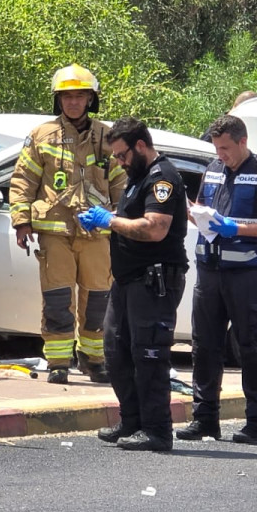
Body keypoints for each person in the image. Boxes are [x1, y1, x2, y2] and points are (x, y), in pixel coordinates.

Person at [177, 114, 257, 445]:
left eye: (226, 148)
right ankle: (205, 419)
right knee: (204, 347)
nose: (221, 154)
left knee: (251, 347)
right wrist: (192, 212)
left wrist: (236, 229)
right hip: (209, 272)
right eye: (217, 148)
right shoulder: (213, 169)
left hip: (246, 274)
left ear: (243, 142)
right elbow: (200, 209)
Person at [78, 117, 188, 452]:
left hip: (154, 280)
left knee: (149, 355)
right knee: (116, 352)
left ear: (141, 146)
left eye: (123, 155)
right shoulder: (136, 179)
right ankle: (132, 420)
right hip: (128, 281)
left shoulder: (162, 178)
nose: (119, 162)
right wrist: (106, 218)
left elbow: (155, 229)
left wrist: (109, 220)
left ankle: (157, 430)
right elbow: (130, 220)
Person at [10, 64, 125, 384]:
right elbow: (23, 180)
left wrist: (123, 223)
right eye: (66, 97)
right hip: (55, 232)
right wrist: (21, 222)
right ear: (58, 100)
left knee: (98, 299)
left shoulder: (107, 137)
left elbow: (121, 184)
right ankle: (59, 362)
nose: (73, 102)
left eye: (79, 96)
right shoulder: (41, 136)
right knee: (58, 299)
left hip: (97, 233)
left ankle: (94, 360)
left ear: (91, 99)